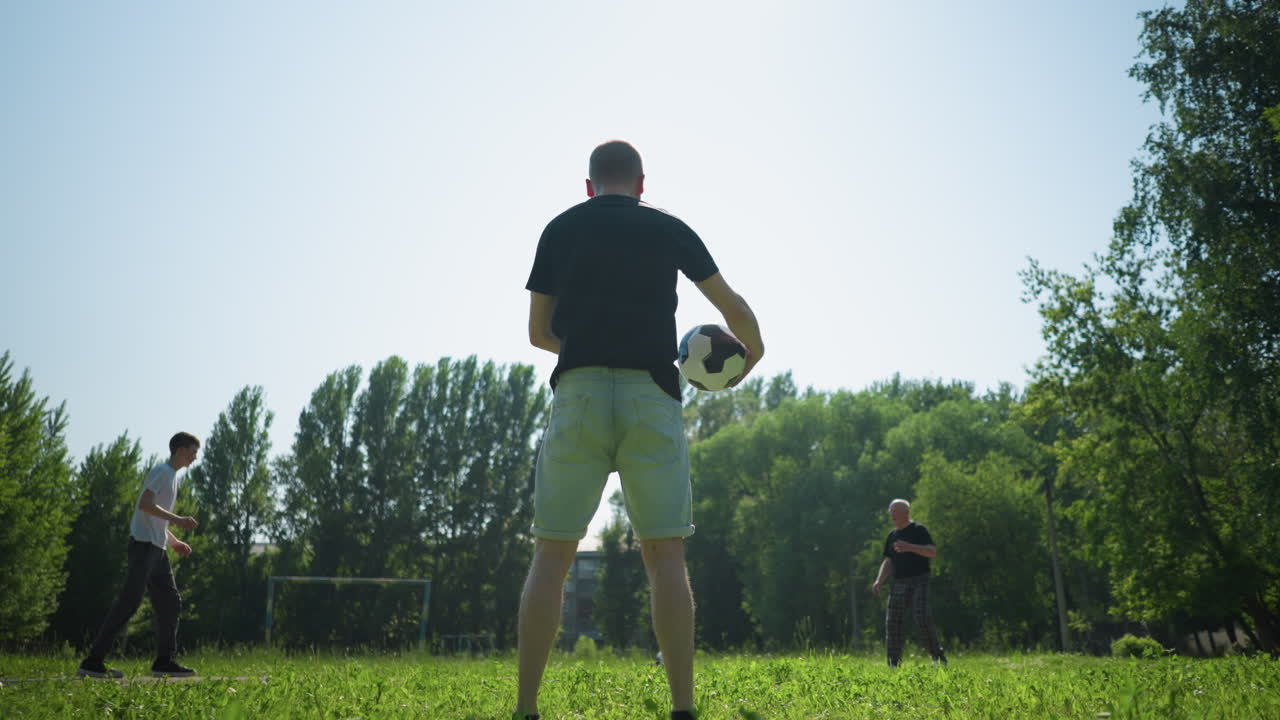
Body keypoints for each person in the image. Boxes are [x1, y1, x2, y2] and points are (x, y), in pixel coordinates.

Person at [514, 140, 764, 720]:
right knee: (666, 555)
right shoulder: (669, 228)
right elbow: (733, 306)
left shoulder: (559, 228)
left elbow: (537, 333)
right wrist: (750, 356)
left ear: (589, 186)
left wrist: (587, 346)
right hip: (652, 396)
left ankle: (526, 709)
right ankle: (682, 707)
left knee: (552, 556)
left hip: (576, 394)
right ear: (642, 184)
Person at [77, 432, 201, 679]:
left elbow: (154, 518)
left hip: (157, 548)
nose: (194, 458)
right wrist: (178, 520)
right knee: (128, 603)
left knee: (170, 602)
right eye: (192, 452)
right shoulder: (162, 472)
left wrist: (174, 542)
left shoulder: (173, 477)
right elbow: (144, 504)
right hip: (143, 547)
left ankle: (164, 661)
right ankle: (92, 662)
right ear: (178, 450)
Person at [872, 498, 947, 668]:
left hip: (920, 580)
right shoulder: (892, 536)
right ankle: (893, 663)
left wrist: (909, 547)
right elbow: (888, 561)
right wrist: (879, 581)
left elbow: (932, 552)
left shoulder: (919, 530)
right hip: (899, 582)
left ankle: (938, 658)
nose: (892, 515)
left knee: (921, 617)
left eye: (895, 512)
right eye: (890, 512)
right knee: (893, 622)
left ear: (906, 513)